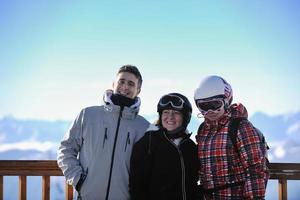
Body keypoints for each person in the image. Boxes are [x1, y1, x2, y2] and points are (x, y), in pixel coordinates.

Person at [57, 65, 150, 200]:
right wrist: (78, 180)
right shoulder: (88, 115)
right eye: (121, 81)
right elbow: (66, 149)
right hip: (88, 196)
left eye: (131, 84)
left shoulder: (143, 127)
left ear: (138, 90)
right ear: (113, 84)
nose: (125, 87)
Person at [194, 75, 269, 199]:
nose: (210, 111)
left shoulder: (240, 127)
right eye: (204, 106)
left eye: (215, 104)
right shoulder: (203, 130)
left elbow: (255, 169)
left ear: (226, 101)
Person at [129, 93, 200, 200]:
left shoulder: (190, 147)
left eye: (176, 113)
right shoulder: (148, 143)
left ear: (185, 117)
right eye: (166, 112)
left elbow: (193, 183)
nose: (170, 117)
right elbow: (137, 186)